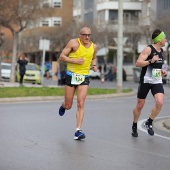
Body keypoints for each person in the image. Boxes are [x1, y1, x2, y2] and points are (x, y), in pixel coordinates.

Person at [58, 27, 97, 140]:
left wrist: (93, 65)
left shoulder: (94, 46)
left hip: (84, 77)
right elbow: (61, 57)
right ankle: (63, 105)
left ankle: (78, 130)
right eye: (84, 35)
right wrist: (75, 61)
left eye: (89, 35)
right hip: (71, 76)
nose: (87, 37)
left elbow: (94, 57)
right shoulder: (73, 43)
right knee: (69, 105)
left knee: (81, 103)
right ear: (80, 35)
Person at [131, 29, 167, 137]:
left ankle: (149, 122)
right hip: (145, 81)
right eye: (164, 37)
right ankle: (134, 124)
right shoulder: (148, 49)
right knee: (140, 105)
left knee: (159, 103)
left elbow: (156, 67)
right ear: (159, 39)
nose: (166, 40)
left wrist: (162, 72)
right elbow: (138, 63)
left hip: (156, 81)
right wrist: (150, 61)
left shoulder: (161, 51)